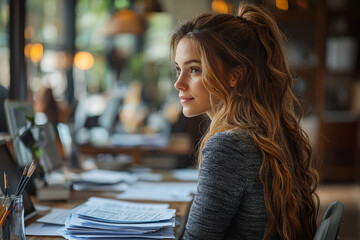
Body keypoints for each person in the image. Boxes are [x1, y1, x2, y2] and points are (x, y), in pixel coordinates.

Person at [171, 3, 319, 240]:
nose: (178, 83)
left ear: (234, 76)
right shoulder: (268, 133)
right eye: (178, 69)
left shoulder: (228, 146)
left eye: (195, 70)